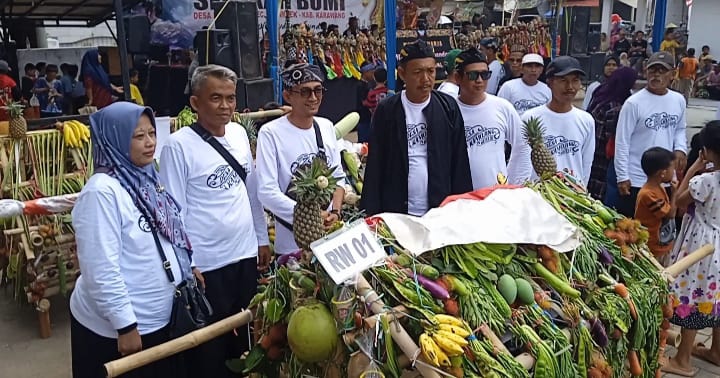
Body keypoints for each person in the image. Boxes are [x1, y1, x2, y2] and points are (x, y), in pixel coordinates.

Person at [159, 64, 269, 378]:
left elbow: (251, 191)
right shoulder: (178, 146)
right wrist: (186, 263)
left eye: (231, 98)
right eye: (216, 98)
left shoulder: (237, 133)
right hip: (207, 264)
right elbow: (172, 211)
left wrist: (261, 238)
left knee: (247, 331)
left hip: (244, 254)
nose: (225, 106)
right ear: (195, 103)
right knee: (210, 343)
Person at [70, 102, 188, 378]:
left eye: (152, 133)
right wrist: (124, 325)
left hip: (158, 320)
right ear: (114, 139)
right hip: (122, 331)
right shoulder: (101, 193)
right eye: (138, 136)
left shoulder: (146, 176)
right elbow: (100, 269)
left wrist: (186, 268)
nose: (150, 143)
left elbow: (166, 232)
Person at [361, 40, 472, 216]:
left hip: (440, 211)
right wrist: (371, 213)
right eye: (418, 72)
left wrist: (463, 207)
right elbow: (376, 164)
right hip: (397, 212)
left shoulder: (447, 107)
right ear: (403, 74)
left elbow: (459, 161)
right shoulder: (387, 110)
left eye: (431, 71)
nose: (426, 79)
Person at [255, 63, 346, 255]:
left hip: (329, 238)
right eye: (304, 92)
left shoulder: (326, 127)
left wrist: (335, 213)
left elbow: (338, 177)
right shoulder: (271, 133)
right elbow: (266, 191)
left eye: (318, 91)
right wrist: (310, 217)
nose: (313, 98)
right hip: (292, 243)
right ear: (288, 96)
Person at [664, 122, 720, 377]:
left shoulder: (706, 180)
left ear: (706, 150)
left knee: (694, 298)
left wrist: (695, 167)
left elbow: (678, 201)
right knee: (714, 298)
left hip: (702, 247)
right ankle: (716, 351)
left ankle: (682, 359)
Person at [614, 51, 688, 217]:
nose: (656, 75)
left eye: (662, 71)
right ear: (646, 71)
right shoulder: (633, 103)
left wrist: (680, 149)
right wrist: (622, 176)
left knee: (660, 231)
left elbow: (680, 129)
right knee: (635, 231)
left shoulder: (678, 100)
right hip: (637, 179)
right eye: (653, 70)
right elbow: (622, 141)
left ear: (673, 74)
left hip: (666, 178)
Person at [453, 48, 531, 189]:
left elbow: (523, 145)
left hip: (497, 196)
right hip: (461, 197)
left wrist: (513, 185)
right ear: (458, 78)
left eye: (485, 74)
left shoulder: (502, 107)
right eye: (472, 75)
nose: (479, 80)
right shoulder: (449, 110)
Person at [521, 56, 596, 186]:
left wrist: (582, 191)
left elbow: (586, 163)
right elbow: (522, 161)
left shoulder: (586, 120)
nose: (570, 87)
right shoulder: (531, 118)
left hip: (572, 195)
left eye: (575, 80)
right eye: (563, 80)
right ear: (549, 83)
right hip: (539, 194)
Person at [586, 67, 638, 205]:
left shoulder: (601, 96)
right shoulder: (615, 108)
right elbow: (614, 139)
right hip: (604, 159)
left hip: (593, 154)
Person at [634, 147, 678, 258]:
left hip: (662, 245)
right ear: (662, 173)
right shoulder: (649, 194)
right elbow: (671, 214)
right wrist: (674, 194)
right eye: (672, 168)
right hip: (653, 248)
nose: (674, 172)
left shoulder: (659, 187)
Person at [356, 61, 376, 142]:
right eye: (371, 72)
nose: (373, 74)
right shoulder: (360, 86)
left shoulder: (370, 84)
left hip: (370, 119)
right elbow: (363, 102)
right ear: (365, 72)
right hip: (364, 119)